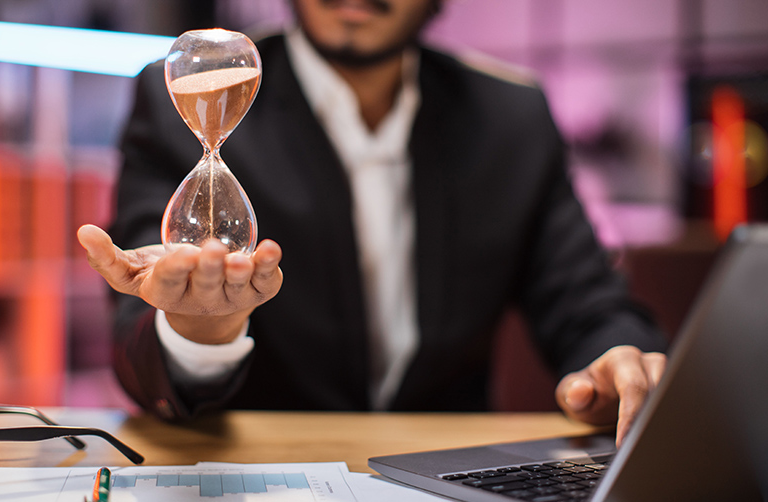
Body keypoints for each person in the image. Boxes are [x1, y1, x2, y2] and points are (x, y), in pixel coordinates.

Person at [77, 0, 667, 447]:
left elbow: (587, 300)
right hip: (257, 460)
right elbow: (137, 332)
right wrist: (197, 329)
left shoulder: (510, 117)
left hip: (447, 464)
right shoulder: (191, 91)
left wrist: (619, 360)